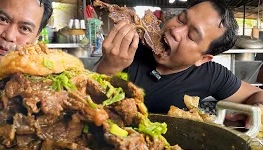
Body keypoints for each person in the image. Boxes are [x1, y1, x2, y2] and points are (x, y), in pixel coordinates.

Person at [95, 0, 263, 115]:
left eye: (191, 36)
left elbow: (257, 94)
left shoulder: (211, 75)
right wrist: (109, 67)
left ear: (203, 59)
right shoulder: (129, 47)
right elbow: (79, 97)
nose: (175, 31)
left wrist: (255, 111)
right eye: (181, 19)